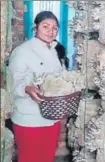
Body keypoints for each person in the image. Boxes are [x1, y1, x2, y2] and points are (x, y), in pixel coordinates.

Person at [8, 11, 66, 162]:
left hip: (51, 117)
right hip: (29, 118)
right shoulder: (22, 51)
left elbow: (58, 79)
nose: (50, 31)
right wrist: (27, 88)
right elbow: (12, 84)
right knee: (30, 158)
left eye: (54, 28)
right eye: (45, 26)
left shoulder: (53, 50)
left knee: (47, 157)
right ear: (35, 28)